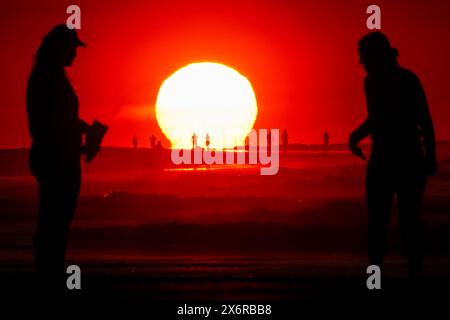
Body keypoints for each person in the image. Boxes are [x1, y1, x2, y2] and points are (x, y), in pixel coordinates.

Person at [349, 32, 437, 281]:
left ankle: (413, 275)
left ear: (377, 55)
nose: (361, 62)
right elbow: (376, 119)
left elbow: (425, 121)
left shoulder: (408, 80)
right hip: (383, 156)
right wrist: (355, 135)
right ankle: (376, 276)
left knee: (407, 221)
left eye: (364, 56)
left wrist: (431, 157)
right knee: (378, 221)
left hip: (406, 155)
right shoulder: (370, 82)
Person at [26, 25, 104, 291]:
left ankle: (50, 274)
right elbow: (43, 125)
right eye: (71, 48)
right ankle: (49, 277)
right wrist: (79, 134)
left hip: (59, 156)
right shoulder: (46, 79)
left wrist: (83, 130)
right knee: (54, 220)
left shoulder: (51, 77)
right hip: (56, 158)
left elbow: (60, 120)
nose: (75, 54)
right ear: (60, 49)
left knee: (55, 219)